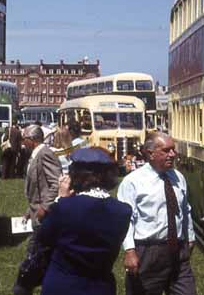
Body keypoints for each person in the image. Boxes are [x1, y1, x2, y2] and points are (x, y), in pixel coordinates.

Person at [38, 147, 132, 295]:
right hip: (101, 287)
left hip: (63, 285)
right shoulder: (123, 211)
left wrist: (60, 199)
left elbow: (44, 237)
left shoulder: (64, 207)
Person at [117, 132, 196, 295]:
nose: (173, 154)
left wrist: (190, 236)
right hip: (148, 252)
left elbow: (185, 209)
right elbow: (125, 220)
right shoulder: (133, 182)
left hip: (177, 250)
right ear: (150, 153)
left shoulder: (178, 177)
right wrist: (130, 251)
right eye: (166, 150)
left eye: (173, 150)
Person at [13, 124, 62, 295]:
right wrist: (30, 209)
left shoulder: (45, 154)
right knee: (39, 255)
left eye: (24, 138)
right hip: (36, 212)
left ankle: (25, 287)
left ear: (32, 140)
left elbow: (55, 182)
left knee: (34, 256)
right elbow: (39, 186)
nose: (23, 142)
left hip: (43, 216)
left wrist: (45, 207)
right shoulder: (35, 155)